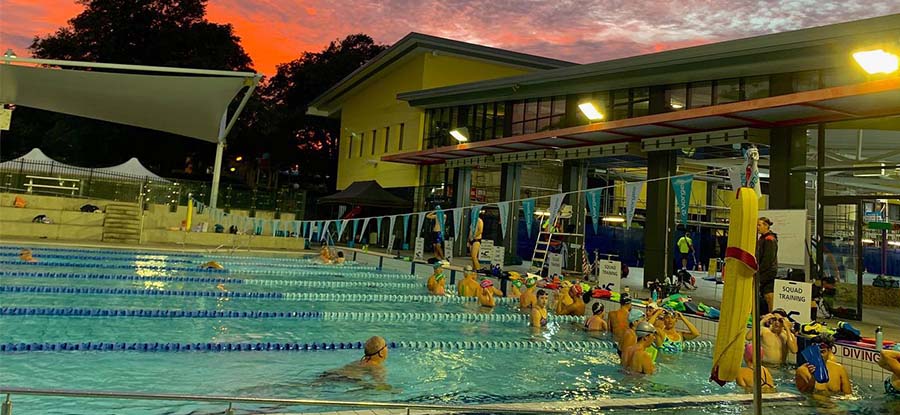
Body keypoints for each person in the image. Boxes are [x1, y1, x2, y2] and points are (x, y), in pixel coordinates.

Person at [319, 336, 391, 390]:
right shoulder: (376, 367)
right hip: (346, 379)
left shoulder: (359, 362)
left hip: (330, 374)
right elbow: (381, 385)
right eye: (386, 346)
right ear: (381, 352)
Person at [757, 217, 778, 313]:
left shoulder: (770, 239)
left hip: (767, 271)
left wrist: (759, 271)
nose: (757, 227)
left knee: (769, 296)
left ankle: (771, 315)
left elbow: (767, 259)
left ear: (766, 226)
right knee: (767, 294)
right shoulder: (762, 238)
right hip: (764, 270)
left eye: (759, 225)